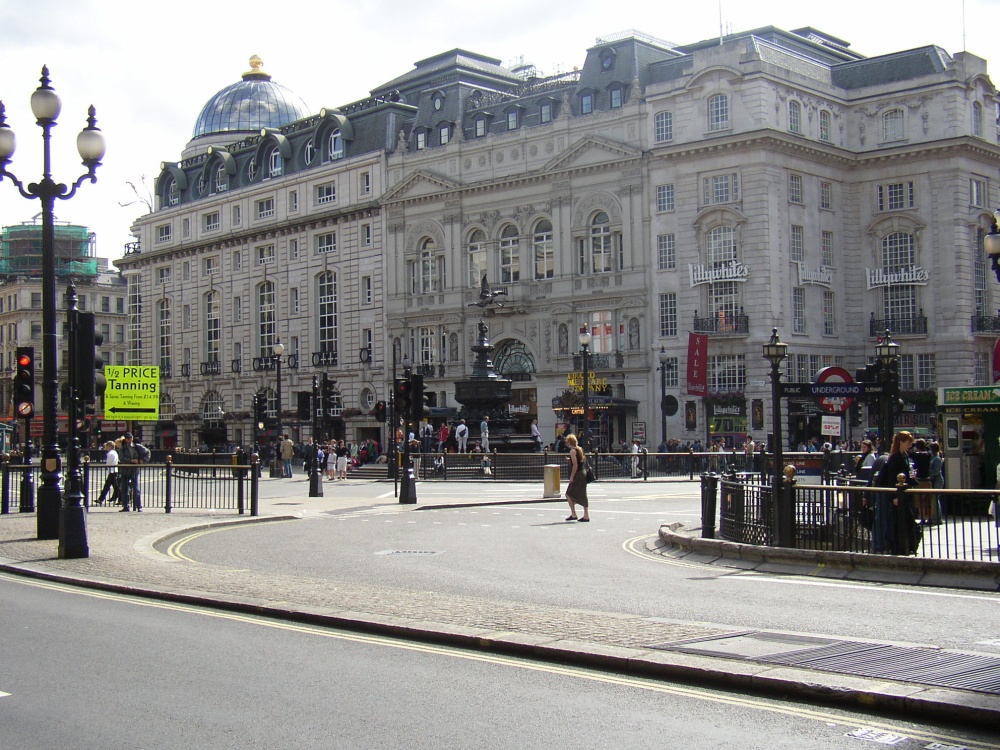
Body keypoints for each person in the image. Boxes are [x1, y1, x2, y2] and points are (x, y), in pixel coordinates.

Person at [871, 430, 919, 555]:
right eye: (908, 442)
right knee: (888, 519)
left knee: (901, 519)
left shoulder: (905, 456)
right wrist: (895, 496)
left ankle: (902, 545)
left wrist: (913, 480)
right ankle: (885, 545)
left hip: (902, 492)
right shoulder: (896, 457)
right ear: (901, 442)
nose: (910, 445)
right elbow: (892, 478)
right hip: (893, 493)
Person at [117, 432, 148, 512]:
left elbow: (147, 452)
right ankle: (126, 506)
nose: (129, 440)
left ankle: (139, 506)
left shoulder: (137, 446)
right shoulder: (123, 448)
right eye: (128, 438)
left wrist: (141, 460)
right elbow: (121, 458)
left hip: (134, 470)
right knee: (124, 489)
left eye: (130, 438)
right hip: (125, 470)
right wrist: (131, 460)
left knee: (135, 488)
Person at [564, 433, 590, 522]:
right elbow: (580, 461)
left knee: (568, 494)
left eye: (567, 442)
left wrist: (571, 476)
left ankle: (574, 514)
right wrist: (570, 459)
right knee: (582, 493)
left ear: (569, 442)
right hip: (583, 473)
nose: (566, 444)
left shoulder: (572, 451)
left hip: (578, 474)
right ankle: (586, 515)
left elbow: (575, 465)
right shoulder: (579, 449)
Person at [96, 440, 121, 506]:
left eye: (106, 446)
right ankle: (101, 499)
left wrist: (106, 466)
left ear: (109, 446)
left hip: (112, 471)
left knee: (113, 486)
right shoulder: (115, 452)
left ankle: (121, 498)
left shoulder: (110, 454)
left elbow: (108, 463)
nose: (105, 448)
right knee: (109, 486)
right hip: (114, 470)